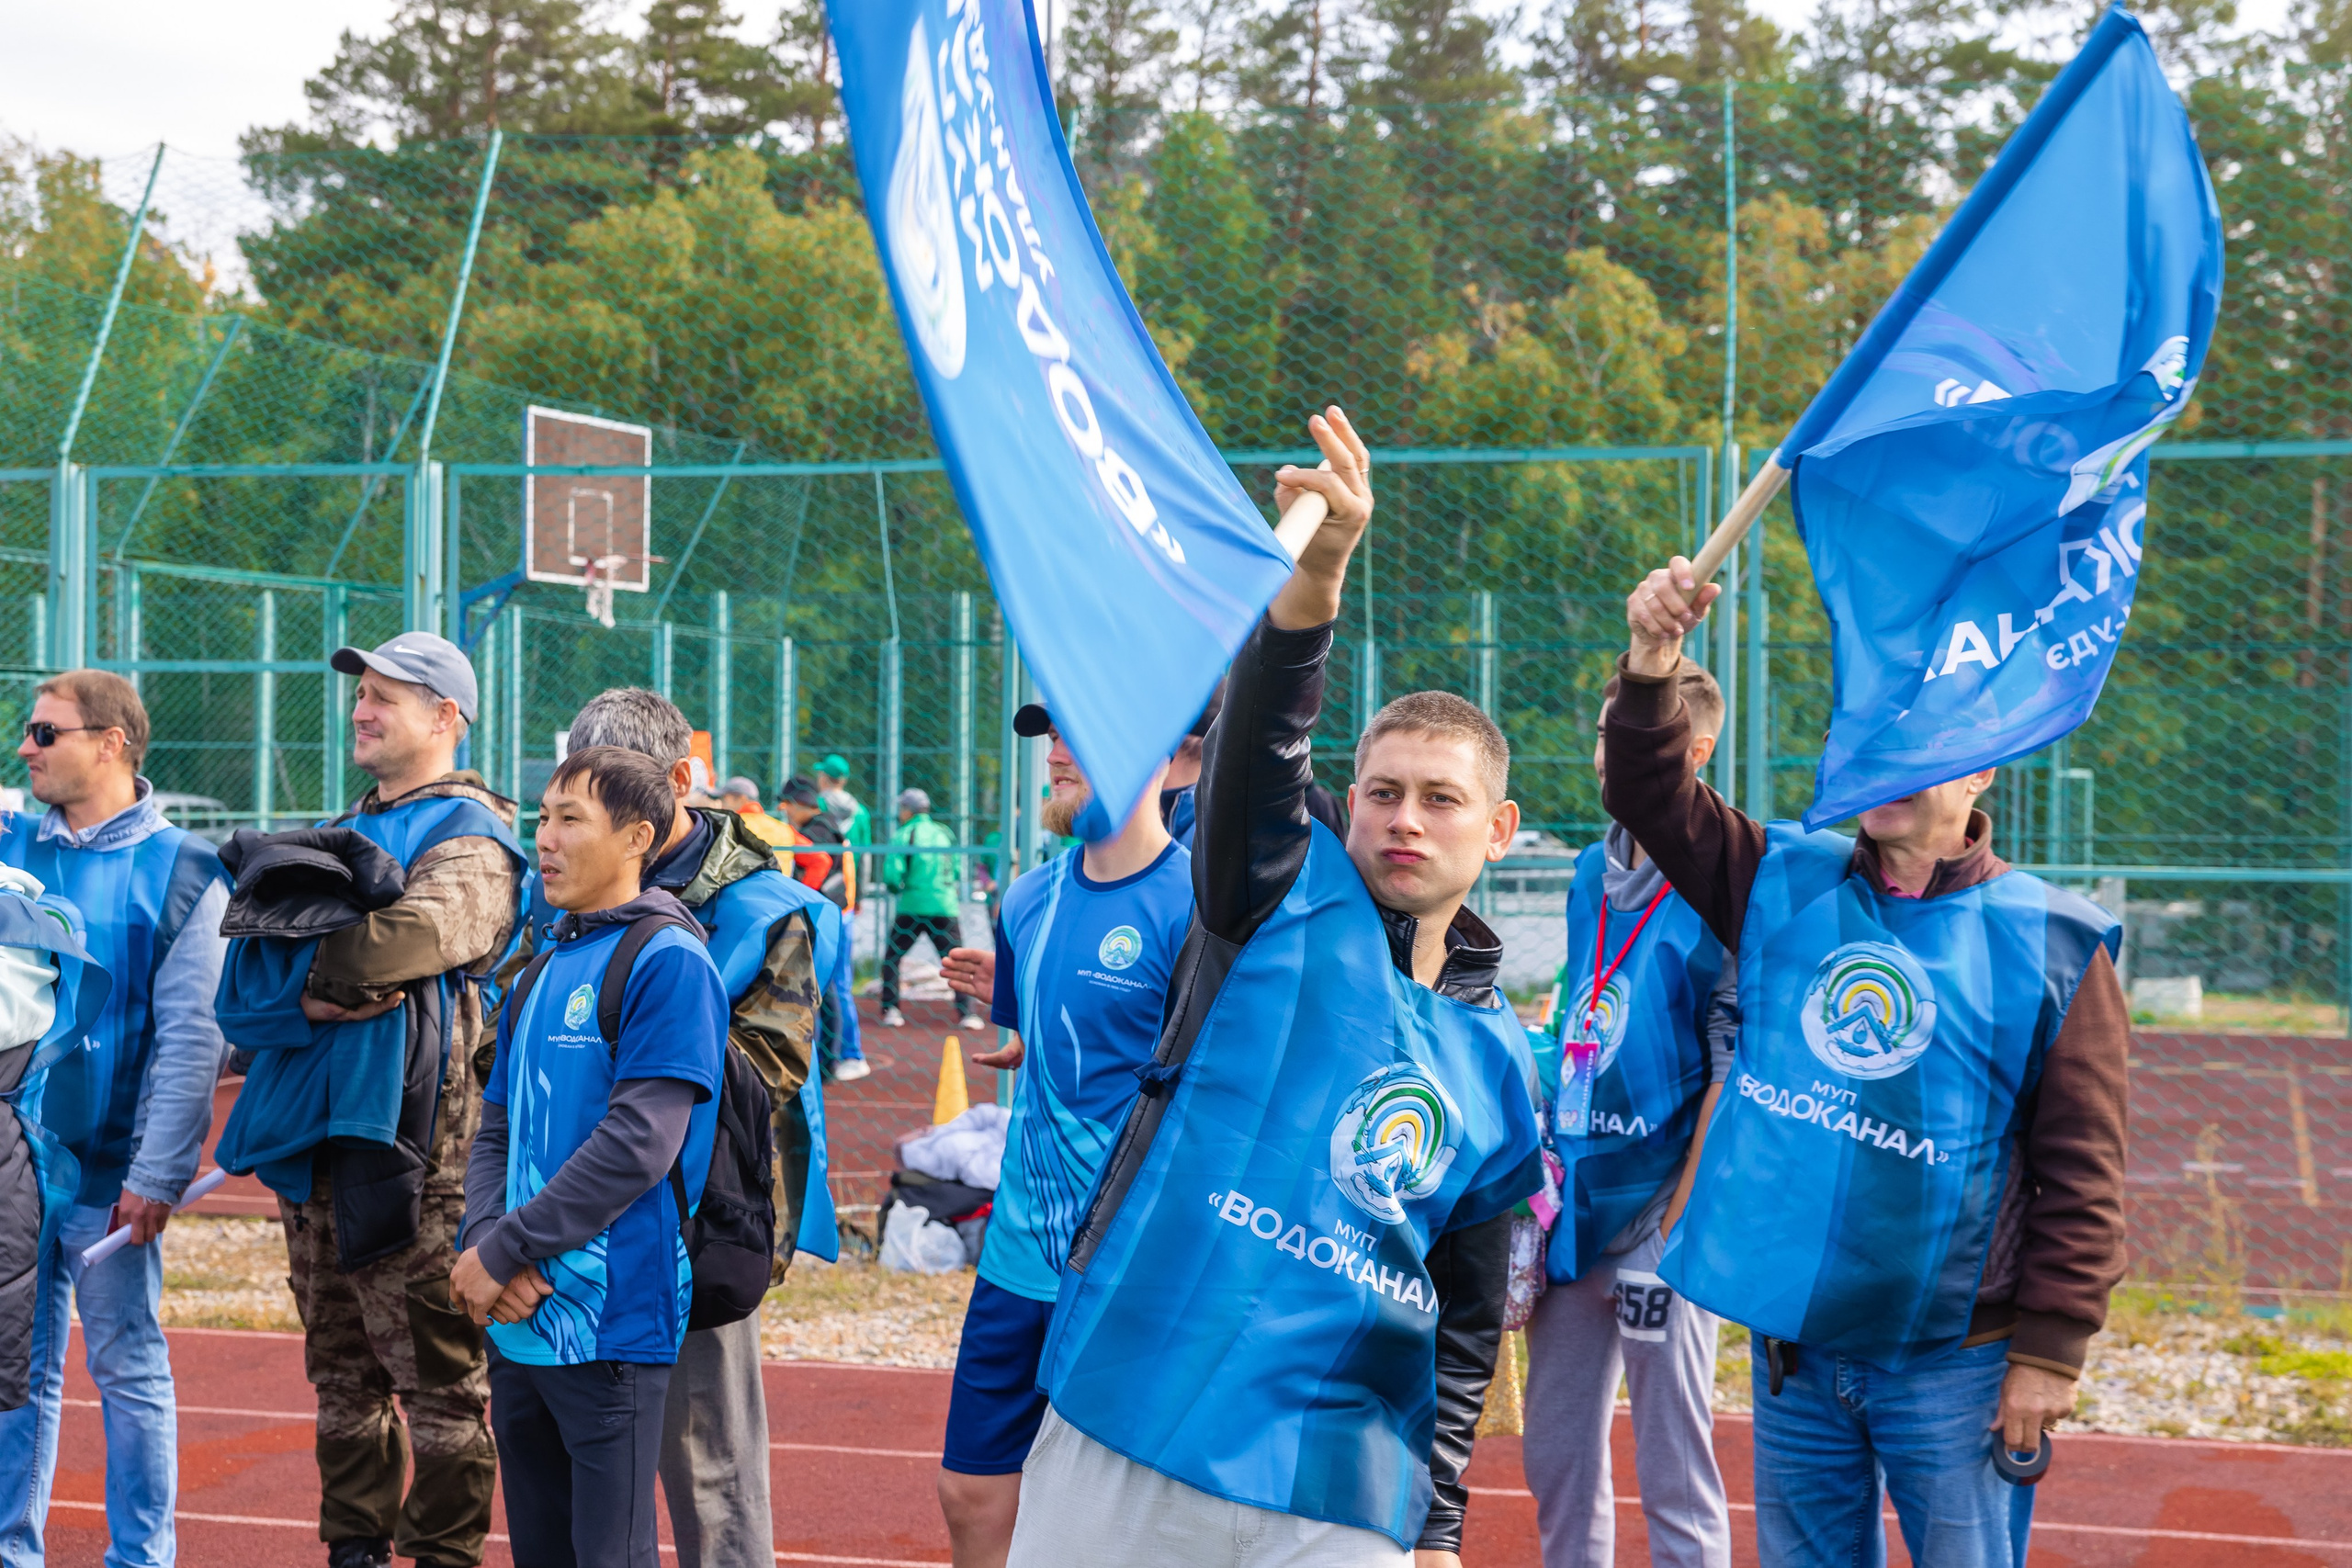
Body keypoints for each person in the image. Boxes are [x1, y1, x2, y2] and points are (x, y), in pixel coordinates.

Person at [1015, 408, 1543, 1566]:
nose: (1405, 819)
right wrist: (1317, 580)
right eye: (1382, 792)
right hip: (1137, 1403)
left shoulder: (1503, 1064)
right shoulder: (1268, 900)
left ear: (1499, 829)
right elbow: (1261, 742)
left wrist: (1440, 1521)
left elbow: (1466, 1319)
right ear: (1347, 803)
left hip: (1338, 1479)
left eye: (1440, 800)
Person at [1611, 555, 2130, 1568]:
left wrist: (2050, 1350)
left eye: (1914, 744)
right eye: (1861, 740)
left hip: (1958, 1362)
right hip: (1797, 1349)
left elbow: (2084, 1173)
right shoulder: (1779, 877)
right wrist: (1651, 657)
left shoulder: (2055, 945)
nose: (1877, 763)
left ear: (1982, 769)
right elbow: (1647, 792)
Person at [223, 633, 526, 1568]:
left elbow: (408, 942)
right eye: (361, 693)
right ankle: (353, 1549)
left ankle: (441, 1556)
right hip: (317, 1150)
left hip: (419, 1163)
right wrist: (297, 989)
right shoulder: (339, 828)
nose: (362, 709)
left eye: (386, 696)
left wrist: (291, 960)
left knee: (440, 1388)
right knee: (340, 1379)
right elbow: (237, 989)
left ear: (447, 717)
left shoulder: (472, 835)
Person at [537, 688, 835, 1568]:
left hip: (696, 1219)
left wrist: (637, 1038)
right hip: (561, 1210)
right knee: (569, 1471)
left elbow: (771, 1067)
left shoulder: (761, 907)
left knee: (712, 1473)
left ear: (676, 783)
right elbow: (504, 1042)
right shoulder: (555, 888)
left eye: (612, 788)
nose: (572, 825)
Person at [455, 746, 729, 1568]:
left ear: (638, 837)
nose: (545, 837)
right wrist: (483, 1240)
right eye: (543, 817)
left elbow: (639, 1141)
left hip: (610, 1322)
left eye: (571, 819)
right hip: (519, 1317)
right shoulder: (540, 968)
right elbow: (496, 1127)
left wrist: (505, 1248)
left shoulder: (668, 960)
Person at [931, 709, 1191, 1568]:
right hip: (1015, 1260)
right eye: (1052, 734)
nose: (1057, 751)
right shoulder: (1026, 898)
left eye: (1083, 726)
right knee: (970, 1493)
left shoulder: (1199, 907)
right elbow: (1045, 1040)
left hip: (1127, 1273)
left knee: (1114, 1524)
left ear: (1163, 754)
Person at [0, 671, 228, 1568]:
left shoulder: (183, 870)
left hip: (112, 1172)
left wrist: (159, 1172)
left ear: (111, 743)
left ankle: (141, 1557)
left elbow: (192, 1038)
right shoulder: (15, 843)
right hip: (17, 1170)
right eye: (28, 731)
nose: (26, 748)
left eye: (45, 733)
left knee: (127, 1367)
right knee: (18, 1369)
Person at [1521, 663, 1736, 1568]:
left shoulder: (1720, 879)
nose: (1611, 754)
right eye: (1609, 734)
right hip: (1578, 1207)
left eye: (1636, 737)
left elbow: (1731, 1068)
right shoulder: (1588, 870)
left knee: (1673, 1462)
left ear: (1695, 751)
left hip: (1660, 1217)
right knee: (1554, 1451)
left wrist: (1677, 1233)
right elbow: (1587, 1009)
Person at [877, 788, 963, 1031]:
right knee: (957, 961)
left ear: (908, 810)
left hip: (913, 905)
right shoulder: (944, 832)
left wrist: (898, 888)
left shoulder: (905, 834)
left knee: (893, 958)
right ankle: (967, 1012)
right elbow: (956, 868)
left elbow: (892, 874)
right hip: (945, 906)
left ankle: (892, 1009)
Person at [775, 776, 856, 907]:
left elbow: (818, 867)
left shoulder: (813, 834)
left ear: (802, 803)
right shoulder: (828, 824)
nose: (785, 810)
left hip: (816, 906)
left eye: (788, 803)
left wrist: (800, 902)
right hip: (835, 904)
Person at [814, 755, 870, 850]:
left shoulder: (815, 805)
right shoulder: (861, 811)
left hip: (823, 858)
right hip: (852, 859)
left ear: (824, 778)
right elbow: (866, 850)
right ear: (844, 781)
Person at [718, 777, 792, 849]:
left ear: (742, 799)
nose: (721, 803)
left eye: (724, 798)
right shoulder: (785, 829)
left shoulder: (728, 827)